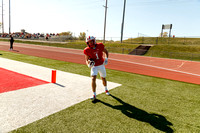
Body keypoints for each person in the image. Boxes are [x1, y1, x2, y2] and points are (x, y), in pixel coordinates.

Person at [84, 36, 109, 101]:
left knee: (103, 78)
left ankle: (106, 89)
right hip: (94, 66)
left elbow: (106, 51)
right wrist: (88, 64)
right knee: (93, 78)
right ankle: (94, 94)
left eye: (91, 41)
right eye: (89, 42)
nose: (90, 43)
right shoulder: (87, 50)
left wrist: (106, 58)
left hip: (101, 65)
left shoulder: (100, 45)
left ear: (94, 41)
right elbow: (86, 60)